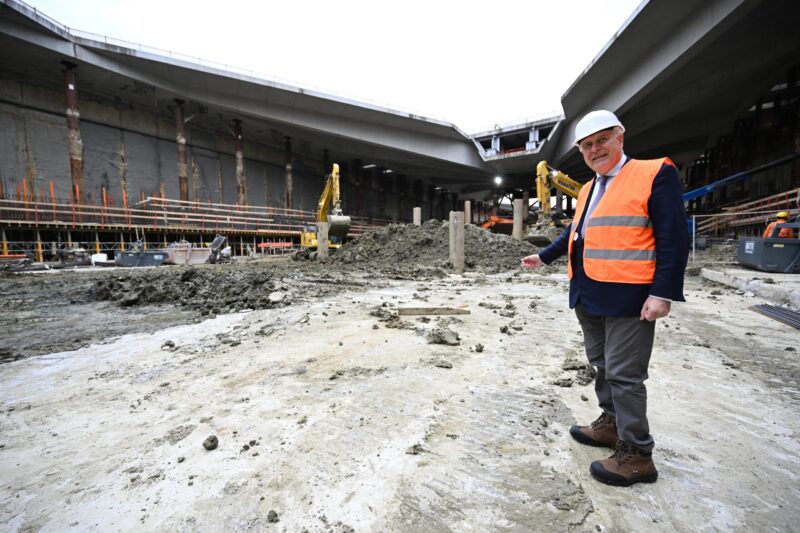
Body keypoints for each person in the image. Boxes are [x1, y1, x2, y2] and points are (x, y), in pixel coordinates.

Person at [521, 110, 689, 487]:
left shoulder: (653, 174)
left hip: (631, 295)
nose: (595, 149)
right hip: (588, 291)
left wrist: (663, 292)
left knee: (625, 375)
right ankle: (612, 423)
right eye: (587, 145)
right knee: (601, 364)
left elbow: (674, 238)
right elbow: (576, 233)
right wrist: (544, 256)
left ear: (620, 138)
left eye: (602, 140)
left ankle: (638, 454)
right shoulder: (587, 188)